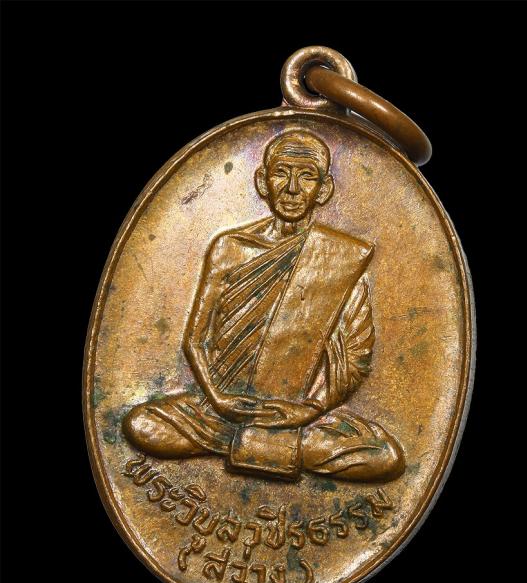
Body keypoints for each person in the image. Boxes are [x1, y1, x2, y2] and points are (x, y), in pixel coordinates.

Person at [123, 130, 405, 482]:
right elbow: (195, 340)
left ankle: (246, 444)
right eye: (281, 173)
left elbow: (354, 356)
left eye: (307, 177)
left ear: (324, 189)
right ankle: (264, 445)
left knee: (386, 456)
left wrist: (309, 409)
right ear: (262, 182)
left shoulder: (342, 257)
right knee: (142, 424)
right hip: (223, 410)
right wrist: (218, 399)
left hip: (300, 417)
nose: (292, 189)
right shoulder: (230, 247)